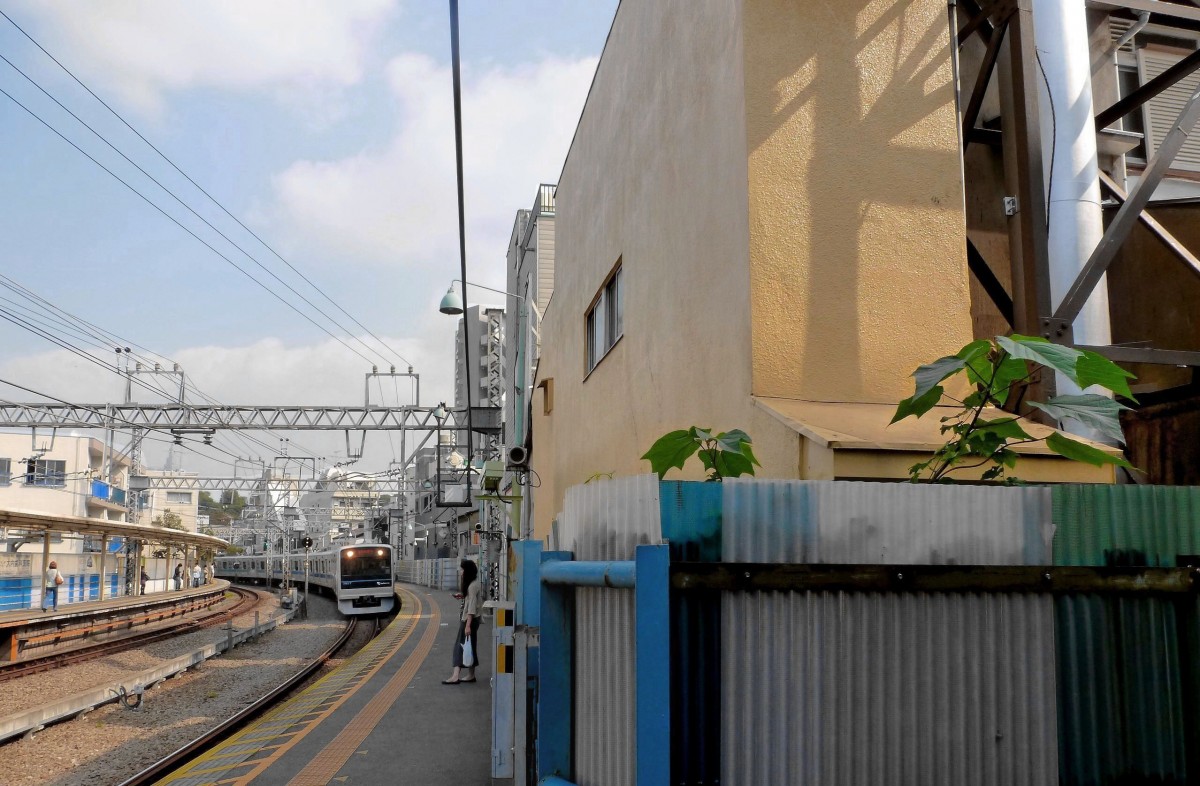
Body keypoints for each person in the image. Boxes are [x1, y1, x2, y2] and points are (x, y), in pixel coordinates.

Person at [443, 559, 483, 685]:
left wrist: (467, 625)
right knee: (470, 645)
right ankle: (471, 674)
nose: (460, 572)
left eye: (462, 569)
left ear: (467, 571)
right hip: (474, 619)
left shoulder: (471, 586)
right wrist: (463, 596)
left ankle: (455, 676)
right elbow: (472, 601)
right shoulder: (475, 583)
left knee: (459, 646)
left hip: (469, 620)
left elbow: (471, 607)